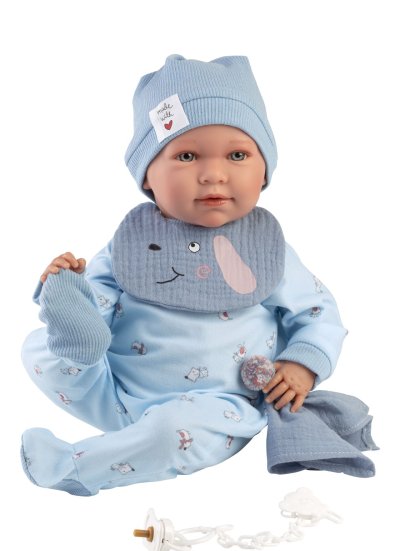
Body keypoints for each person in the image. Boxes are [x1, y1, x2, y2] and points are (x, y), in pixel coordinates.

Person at [20, 55, 371, 497]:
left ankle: (74, 467)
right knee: (39, 347)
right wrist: (72, 295)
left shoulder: (264, 249)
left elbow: (317, 312)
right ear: (147, 176)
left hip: (214, 407)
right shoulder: (132, 241)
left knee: (173, 434)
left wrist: (302, 363)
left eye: (238, 155)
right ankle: (81, 345)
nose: (213, 174)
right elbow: (103, 298)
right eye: (186, 156)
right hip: (111, 389)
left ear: (264, 170)